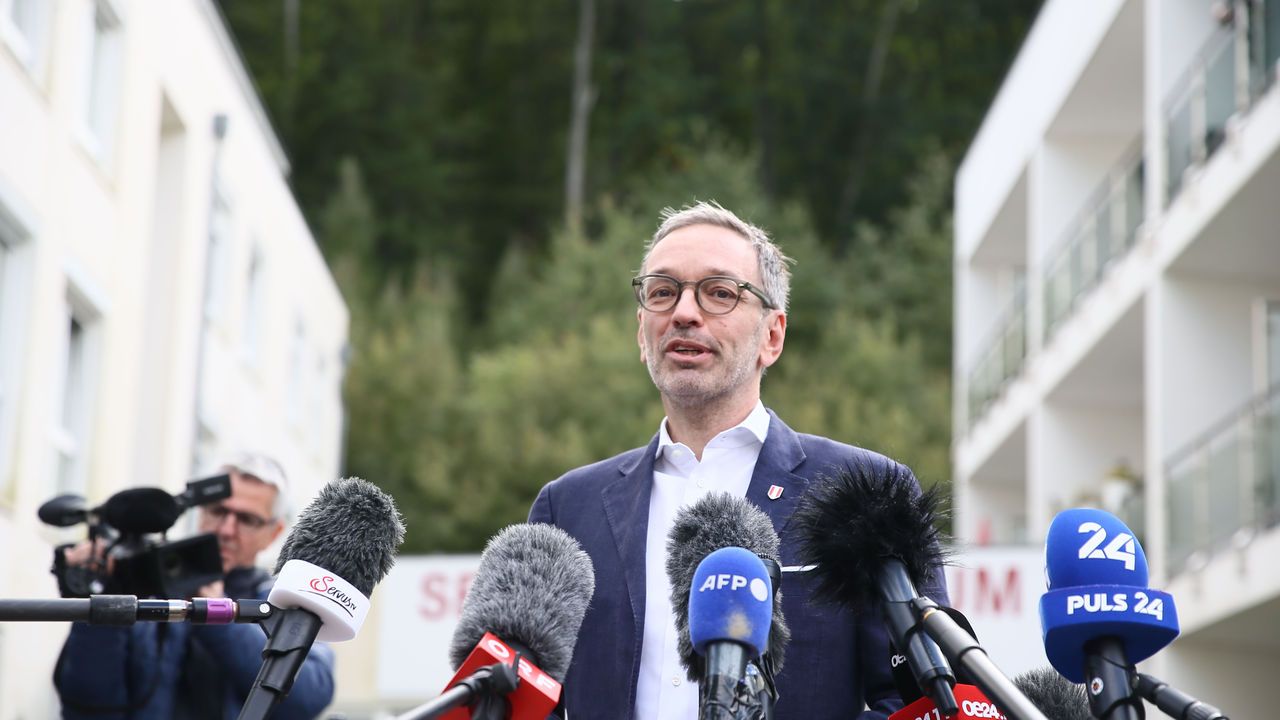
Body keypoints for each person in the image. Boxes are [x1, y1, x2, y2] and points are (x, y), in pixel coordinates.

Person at [528, 201, 949, 719]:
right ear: (642, 333)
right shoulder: (568, 508)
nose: (684, 312)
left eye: (720, 293)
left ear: (772, 336)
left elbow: (917, 703)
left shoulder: (869, 495)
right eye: (663, 292)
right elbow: (531, 701)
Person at [54, 453, 335, 720]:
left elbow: (309, 694)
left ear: (273, 534)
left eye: (247, 519)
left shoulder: (287, 603)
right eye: (218, 510)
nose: (226, 529)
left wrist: (217, 613)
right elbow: (86, 704)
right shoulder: (149, 587)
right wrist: (106, 596)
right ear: (200, 511)